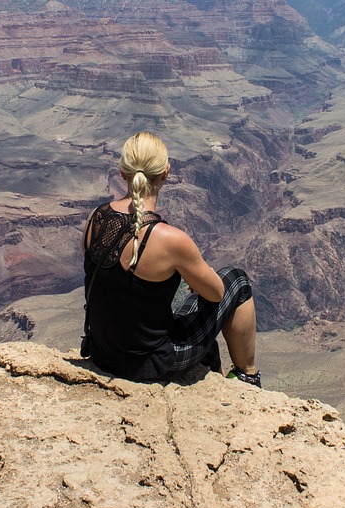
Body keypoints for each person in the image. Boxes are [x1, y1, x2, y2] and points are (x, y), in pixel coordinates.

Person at [81, 131, 261, 387]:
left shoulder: (94, 218)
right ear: (166, 172)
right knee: (237, 280)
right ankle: (248, 376)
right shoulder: (169, 239)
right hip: (148, 363)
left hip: (103, 354)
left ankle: (214, 372)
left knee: (187, 311)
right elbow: (217, 294)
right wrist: (198, 273)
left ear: (122, 172)